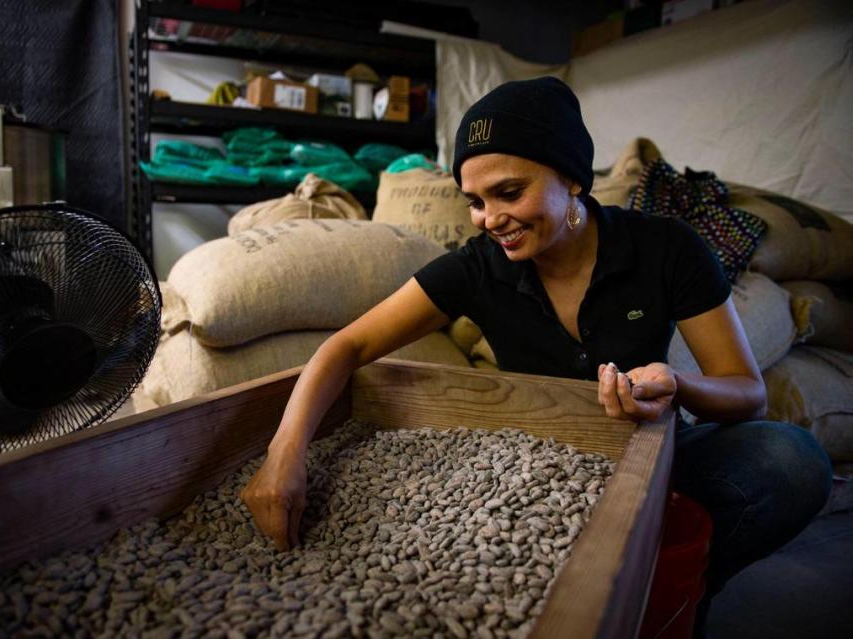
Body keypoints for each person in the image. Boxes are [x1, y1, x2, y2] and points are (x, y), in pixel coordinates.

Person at [240, 77, 832, 634]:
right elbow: (347, 345)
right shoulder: (478, 267)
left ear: (572, 178)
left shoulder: (665, 249)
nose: (490, 219)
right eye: (474, 201)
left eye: (509, 193)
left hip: (648, 450)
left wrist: (676, 384)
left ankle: (677, 591)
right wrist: (284, 454)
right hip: (535, 470)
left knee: (792, 460)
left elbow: (745, 391)